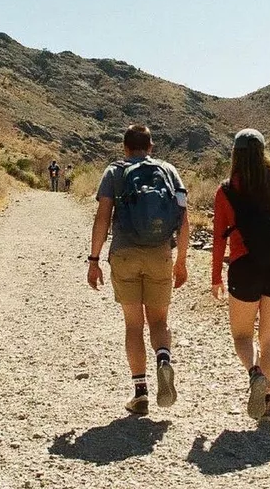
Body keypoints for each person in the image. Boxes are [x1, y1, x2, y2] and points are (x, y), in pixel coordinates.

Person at [87, 124, 189, 416]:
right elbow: (183, 219)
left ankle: (140, 392)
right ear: (151, 147)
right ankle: (163, 359)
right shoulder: (169, 171)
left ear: (125, 147)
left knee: (133, 325)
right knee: (159, 321)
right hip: (160, 253)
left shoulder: (114, 172)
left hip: (125, 253)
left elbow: (102, 218)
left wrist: (94, 260)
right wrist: (181, 260)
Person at [211, 128, 270, 424]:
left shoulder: (225, 191)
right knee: (269, 338)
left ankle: (254, 374)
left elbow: (219, 239)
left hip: (244, 267)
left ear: (235, 155)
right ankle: (267, 401)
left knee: (242, 336)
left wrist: (215, 277)